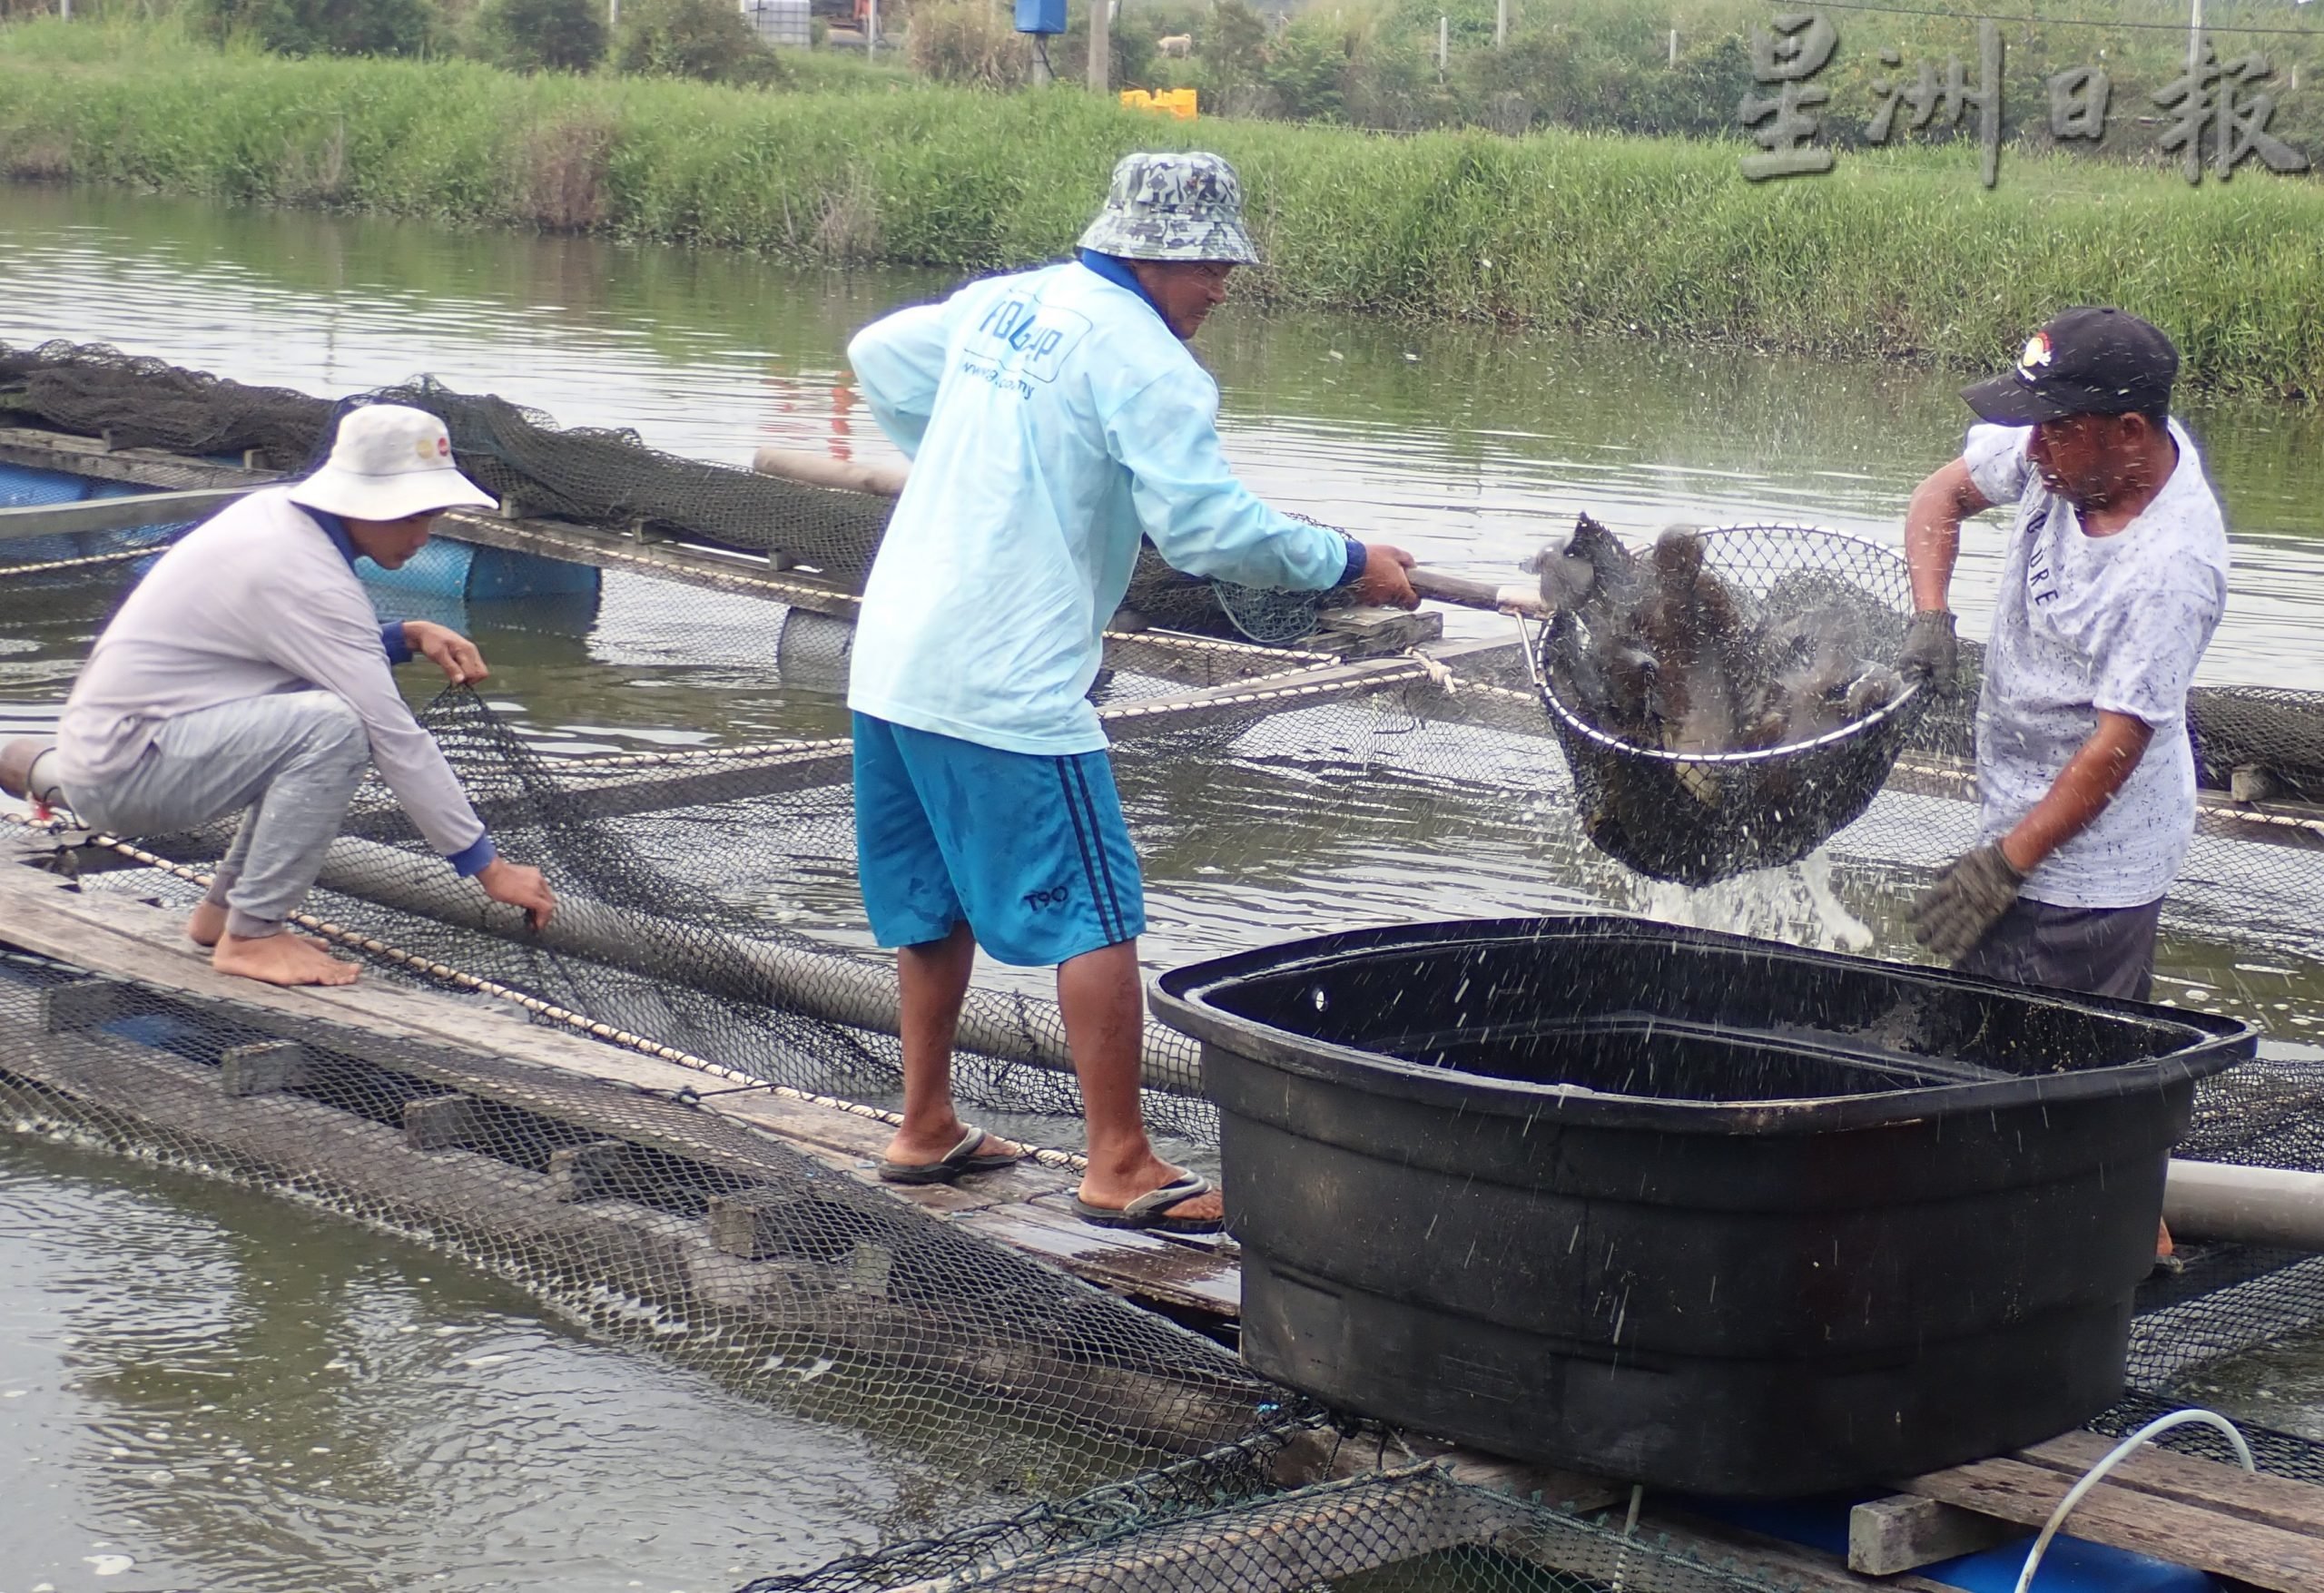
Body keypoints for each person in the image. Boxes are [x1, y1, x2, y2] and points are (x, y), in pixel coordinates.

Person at [843, 150, 1420, 1233]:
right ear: (1157, 255)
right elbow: (1207, 529)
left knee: (933, 905)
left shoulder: (1006, 304)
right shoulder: (1148, 360)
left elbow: (877, 353)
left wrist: (972, 458)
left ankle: (923, 1129)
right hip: (1002, 677)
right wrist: (1349, 560)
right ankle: (1119, 1163)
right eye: (1213, 271)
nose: (1219, 291)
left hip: (893, 660)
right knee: (1098, 912)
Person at [0, 403, 556, 988]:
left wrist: (405, 636)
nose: (422, 536)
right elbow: (393, 733)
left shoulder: (277, 517)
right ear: (358, 501)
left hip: (127, 749)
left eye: (431, 516)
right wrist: (486, 866)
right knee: (336, 727)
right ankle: (253, 936)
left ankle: (222, 915)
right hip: (127, 773)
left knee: (314, 721)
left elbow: (296, 647)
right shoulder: (301, 570)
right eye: (408, 516)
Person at [1899, 308, 2228, 1005]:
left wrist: (2002, 868)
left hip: (2096, 878)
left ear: (2130, 433)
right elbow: (1939, 496)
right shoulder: (2060, 449)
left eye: (2058, 431)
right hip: (2011, 807)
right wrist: (1932, 614)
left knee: (2055, 1071)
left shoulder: (2172, 568)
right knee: (1974, 1047)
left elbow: (2119, 743)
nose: (2036, 449)